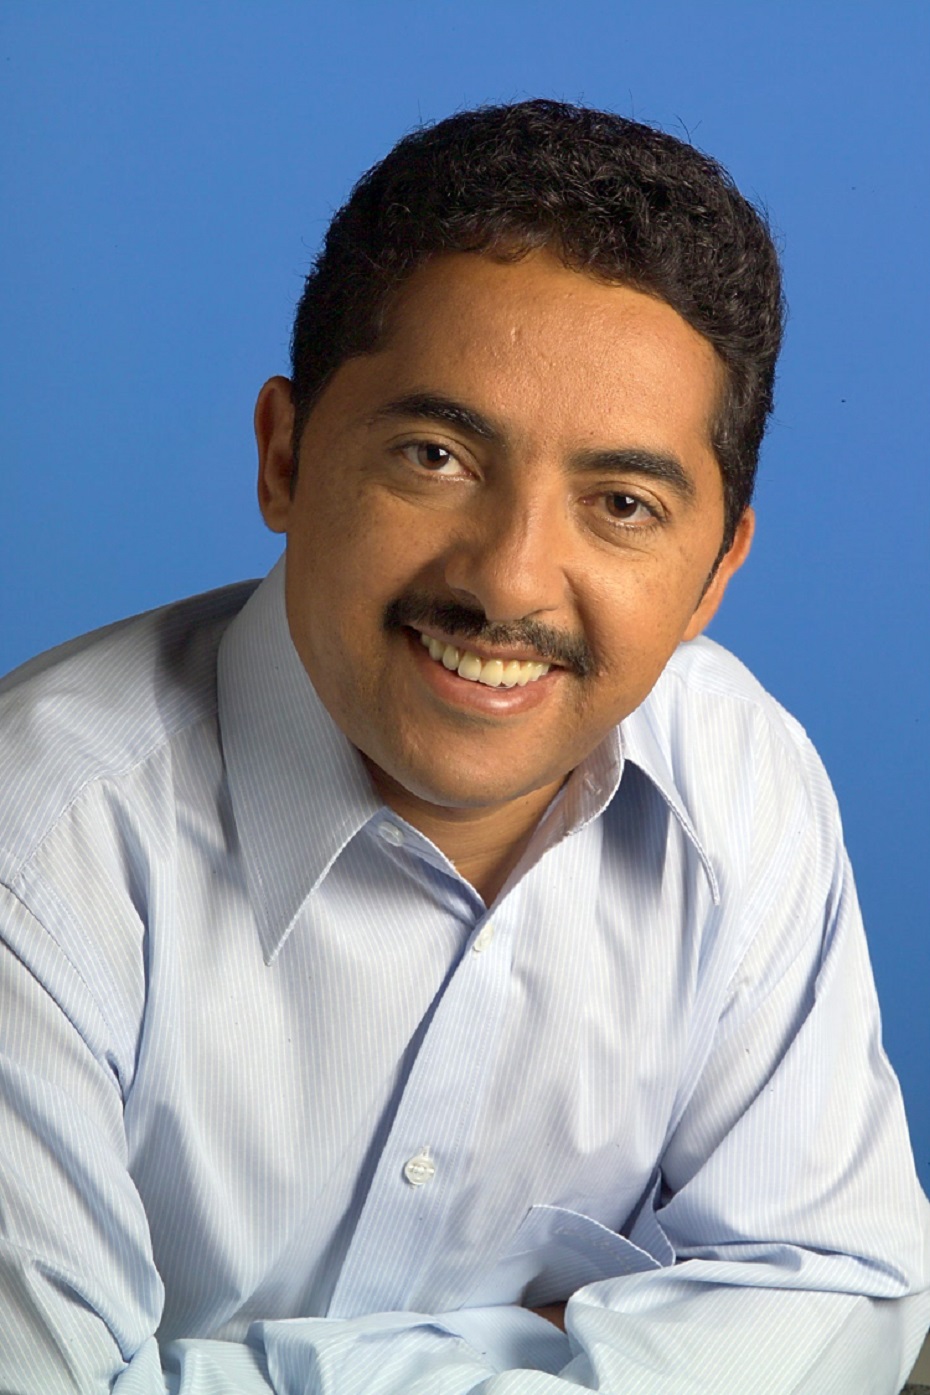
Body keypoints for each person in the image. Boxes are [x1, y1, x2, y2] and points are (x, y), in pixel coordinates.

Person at [0, 99, 927, 1395]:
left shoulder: (740, 778)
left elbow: (841, 1289)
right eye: (436, 456)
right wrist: (575, 1348)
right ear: (285, 458)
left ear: (715, 573)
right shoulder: (35, 854)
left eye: (621, 504)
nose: (509, 582)